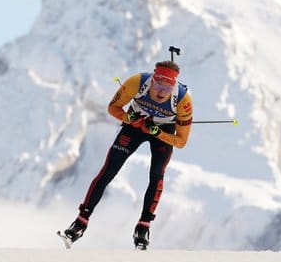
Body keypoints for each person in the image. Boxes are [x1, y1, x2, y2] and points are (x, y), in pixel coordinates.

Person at [62, 60, 193, 249]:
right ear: (152, 79)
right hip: (135, 125)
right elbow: (112, 108)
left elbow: (181, 141)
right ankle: (81, 222)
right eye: (158, 84)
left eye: (167, 86)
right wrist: (127, 118)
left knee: (156, 175)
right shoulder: (136, 82)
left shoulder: (183, 100)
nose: (161, 91)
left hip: (162, 131)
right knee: (108, 171)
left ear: (174, 86)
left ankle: (143, 227)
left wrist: (158, 133)